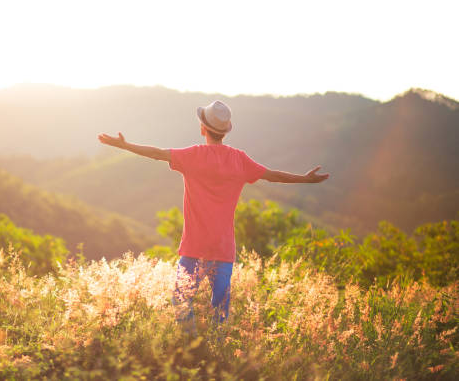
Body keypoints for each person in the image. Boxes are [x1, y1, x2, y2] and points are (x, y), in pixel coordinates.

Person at [97, 100, 329, 336]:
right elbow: (274, 176)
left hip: (194, 247)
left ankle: (192, 348)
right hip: (223, 248)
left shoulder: (193, 156)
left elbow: (157, 153)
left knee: (181, 300)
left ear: (202, 129)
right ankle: (217, 356)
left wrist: (125, 146)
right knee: (220, 311)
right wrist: (305, 179)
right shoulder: (240, 160)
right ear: (225, 132)